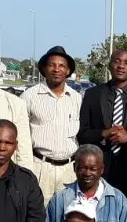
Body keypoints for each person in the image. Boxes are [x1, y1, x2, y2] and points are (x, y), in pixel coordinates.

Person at [77, 48, 127, 196]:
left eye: (126, 63)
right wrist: (103, 133)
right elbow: (82, 134)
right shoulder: (92, 94)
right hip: (99, 170)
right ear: (110, 65)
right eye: (117, 61)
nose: (121, 66)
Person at [22, 45, 83, 203]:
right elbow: (20, 135)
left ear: (68, 71)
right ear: (44, 68)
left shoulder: (76, 98)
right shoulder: (29, 96)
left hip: (70, 169)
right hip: (40, 168)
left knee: (68, 215)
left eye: (62, 65)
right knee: (39, 215)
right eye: (52, 65)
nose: (57, 69)